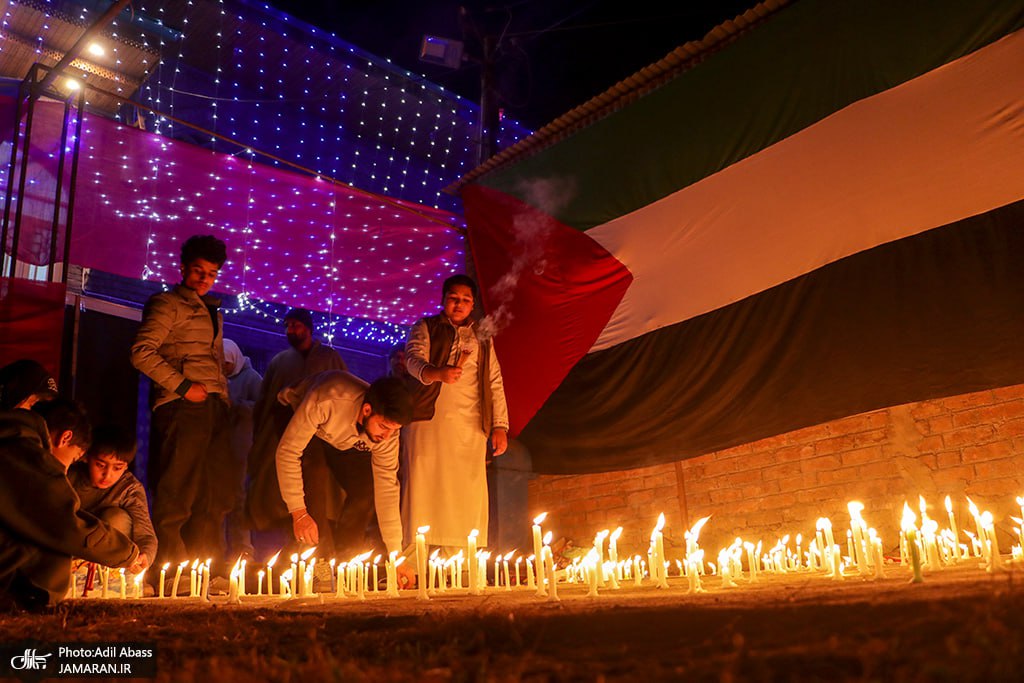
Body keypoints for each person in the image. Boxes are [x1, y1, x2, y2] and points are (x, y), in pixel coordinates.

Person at [130, 234, 233, 574]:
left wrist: (222, 397)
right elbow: (141, 353)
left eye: (212, 273)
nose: (205, 279)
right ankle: (171, 572)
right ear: (184, 268)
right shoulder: (167, 303)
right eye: (198, 271)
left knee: (212, 494)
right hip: (183, 405)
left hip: (212, 408)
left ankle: (208, 570)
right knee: (178, 491)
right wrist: (184, 386)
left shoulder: (211, 308)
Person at [0, 399, 139, 610]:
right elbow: (66, 524)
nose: (67, 469)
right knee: (53, 539)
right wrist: (127, 554)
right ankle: (28, 596)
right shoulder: (28, 457)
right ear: (65, 438)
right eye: (74, 459)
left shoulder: (11, 441)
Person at [403, 274, 509, 548]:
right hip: (428, 421)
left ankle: (462, 562)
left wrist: (499, 425)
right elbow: (412, 360)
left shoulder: (482, 337)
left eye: (465, 300)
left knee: (466, 492)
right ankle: (416, 562)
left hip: (470, 425)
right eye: (453, 298)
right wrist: (436, 373)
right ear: (443, 300)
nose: (459, 304)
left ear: (472, 305)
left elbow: (494, 380)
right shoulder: (424, 326)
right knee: (424, 487)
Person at [276, 371, 413, 565]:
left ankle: (348, 560)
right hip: (295, 410)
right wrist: (298, 513)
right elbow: (288, 452)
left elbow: (387, 487)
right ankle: (319, 560)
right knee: (314, 476)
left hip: (342, 438)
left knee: (366, 488)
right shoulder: (327, 400)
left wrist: (396, 556)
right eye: (384, 427)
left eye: (394, 430)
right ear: (367, 410)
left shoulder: (385, 435)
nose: (388, 436)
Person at [246, 308, 347, 533]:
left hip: (322, 436)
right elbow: (266, 401)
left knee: (319, 489)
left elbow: (341, 392)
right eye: (288, 326)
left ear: (308, 328)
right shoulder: (280, 362)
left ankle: (321, 545)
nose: (291, 330)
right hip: (286, 432)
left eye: (296, 325)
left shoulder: (328, 357)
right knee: (281, 490)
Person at [67, 425, 158, 572]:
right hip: (71, 549)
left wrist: (145, 555)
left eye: (117, 468)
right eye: (100, 465)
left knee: (116, 517)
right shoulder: (69, 477)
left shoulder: (129, 488)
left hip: (108, 560)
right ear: (85, 457)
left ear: (126, 466)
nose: (107, 475)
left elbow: (145, 533)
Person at [222, 338, 261, 560]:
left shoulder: (251, 378)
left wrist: (239, 407)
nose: (225, 368)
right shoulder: (217, 378)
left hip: (242, 444)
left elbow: (263, 404)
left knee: (239, 496)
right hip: (221, 446)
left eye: (227, 364)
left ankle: (242, 546)